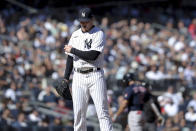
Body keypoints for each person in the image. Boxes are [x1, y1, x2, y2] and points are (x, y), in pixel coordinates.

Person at [63, 7, 113, 131]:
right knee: (79, 114)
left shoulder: (98, 33)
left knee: (102, 112)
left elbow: (93, 56)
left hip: (95, 74)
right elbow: (70, 58)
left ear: (92, 19)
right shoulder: (75, 35)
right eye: (81, 21)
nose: (83, 23)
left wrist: (73, 50)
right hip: (78, 77)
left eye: (86, 20)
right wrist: (65, 78)